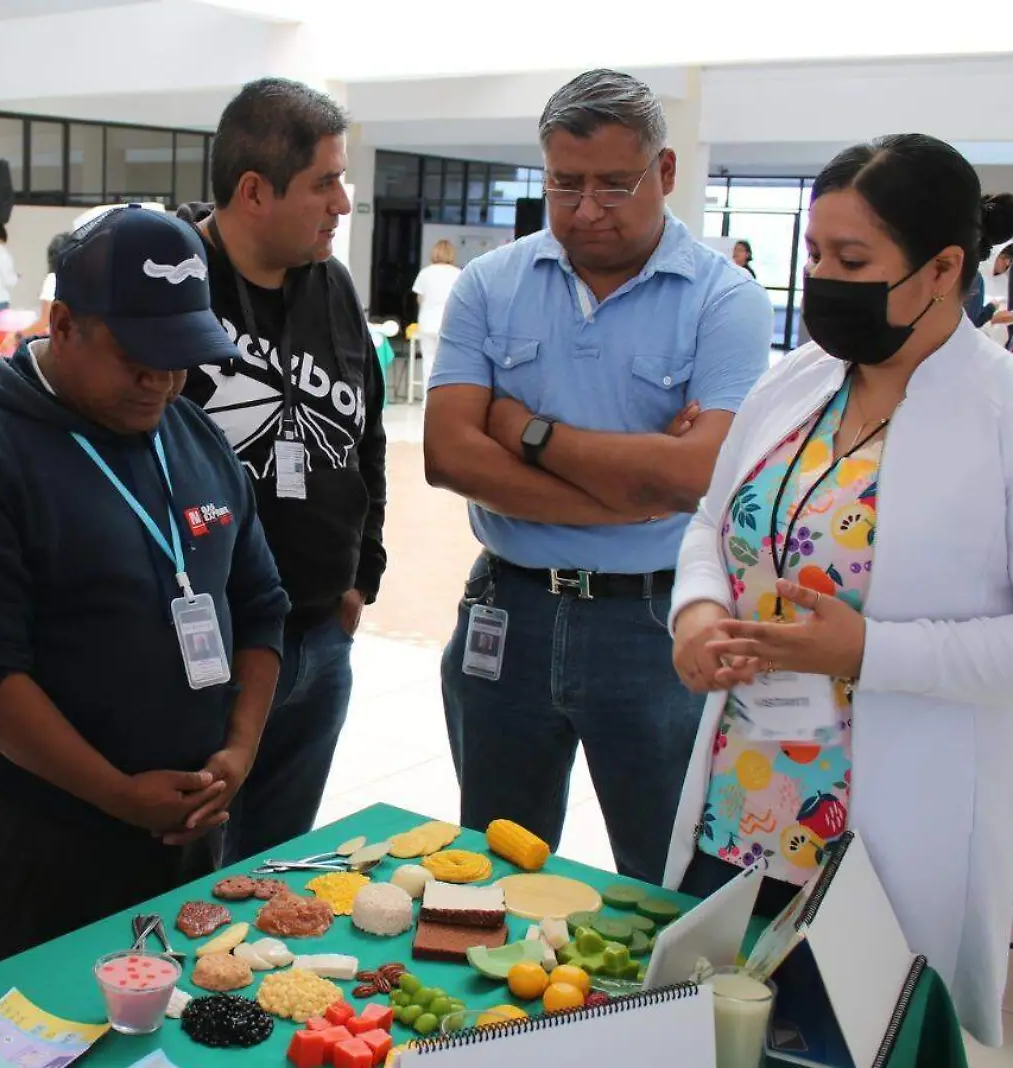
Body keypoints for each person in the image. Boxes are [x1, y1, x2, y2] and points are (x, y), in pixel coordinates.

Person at [667, 134, 1013, 1047]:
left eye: (851, 261)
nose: (822, 280)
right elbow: (711, 527)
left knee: (854, 1038)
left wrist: (871, 652)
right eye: (813, 255)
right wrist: (698, 613)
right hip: (745, 798)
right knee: (717, 1041)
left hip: (889, 834)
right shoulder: (795, 385)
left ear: (944, 267)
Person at [0, 205, 289, 973]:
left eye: (181, 356)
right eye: (139, 355)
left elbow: (261, 606)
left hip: (189, 820)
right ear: (64, 323)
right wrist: (117, 793)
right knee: (43, 1033)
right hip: (43, 840)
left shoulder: (192, 431)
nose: (163, 380)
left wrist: (238, 751)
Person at [423, 69, 772, 884]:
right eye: (565, 184)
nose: (586, 210)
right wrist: (634, 486)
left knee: (666, 872)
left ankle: (663, 1017)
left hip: (653, 624)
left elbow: (698, 476)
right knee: (494, 866)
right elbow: (448, 457)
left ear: (668, 172)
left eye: (615, 186)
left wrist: (525, 431)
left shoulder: (725, 301)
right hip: (508, 607)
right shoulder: (490, 285)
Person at [177, 77, 388, 865]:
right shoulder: (177, 282)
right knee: (192, 877)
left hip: (320, 632)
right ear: (255, 191)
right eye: (326, 181)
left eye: (344, 180)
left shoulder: (330, 284)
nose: (342, 203)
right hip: (210, 645)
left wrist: (364, 571)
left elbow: (366, 438)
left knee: (273, 872)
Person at [411, 239, 462, 392]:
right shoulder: (458, 273)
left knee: (428, 360)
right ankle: (445, 396)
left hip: (427, 322)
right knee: (448, 362)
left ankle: (427, 399)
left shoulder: (425, 273)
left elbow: (420, 298)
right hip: (450, 324)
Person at [18, 231, 72, 339]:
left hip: (61, 342)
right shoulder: (85, 278)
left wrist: (17, 336)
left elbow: (46, 321)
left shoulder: (53, 280)